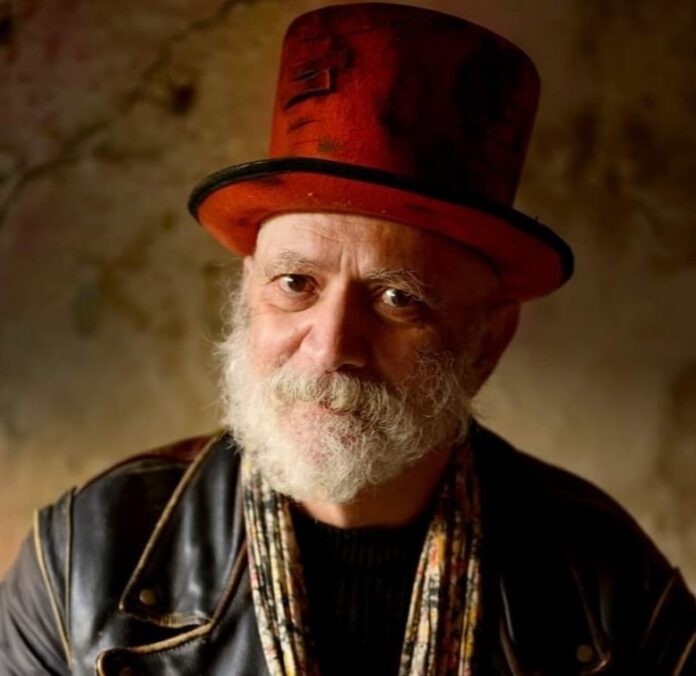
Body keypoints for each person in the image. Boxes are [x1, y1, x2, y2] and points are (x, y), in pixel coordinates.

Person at [1, 3, 695, 675]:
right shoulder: (81, 563)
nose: (331, 348)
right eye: (295, 283)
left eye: (398, 299)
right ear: (248, 294)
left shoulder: (613, 588)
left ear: (487, 342)